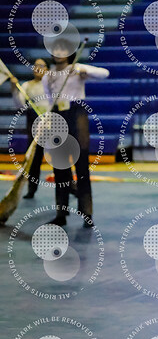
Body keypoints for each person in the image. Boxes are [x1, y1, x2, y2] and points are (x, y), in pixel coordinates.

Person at [42, 38, 109, 228]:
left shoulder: (77, 68)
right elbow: (49, 99)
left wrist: (83, 71)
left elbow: (104, 73)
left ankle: (87, 212)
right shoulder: (49, 75)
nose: (59, 53)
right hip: (58, 115)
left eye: (63, 49)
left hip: (77, 114)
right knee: (60, 166)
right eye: (56, 49)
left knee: (81, 165)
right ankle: (61, 213)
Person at [10, 59, 50, 198]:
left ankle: (71, 188)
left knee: (60, 157)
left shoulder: (52, 84)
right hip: (35, 125)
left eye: (41, 66)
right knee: (34, 159)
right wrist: (14, 88)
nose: (38, 68)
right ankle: (31, 189)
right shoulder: (26, 85)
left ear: (47, 69)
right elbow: (19, 105)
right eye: (36, 66)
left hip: (52, 122)